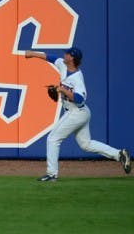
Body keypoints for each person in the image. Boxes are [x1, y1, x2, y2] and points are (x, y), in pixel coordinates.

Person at [24, 47, 130, 181]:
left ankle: (51, 174)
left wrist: (62, 90)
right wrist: (32, 54)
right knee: (86, 144)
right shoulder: (63, 64)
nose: (65, 54)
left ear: (72, 58)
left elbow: (80, 99)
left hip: (77, 112)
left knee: (53, 138)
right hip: (80, 112)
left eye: (67, 53)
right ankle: (119, 154)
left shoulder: (77, 78)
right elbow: (49, 57)